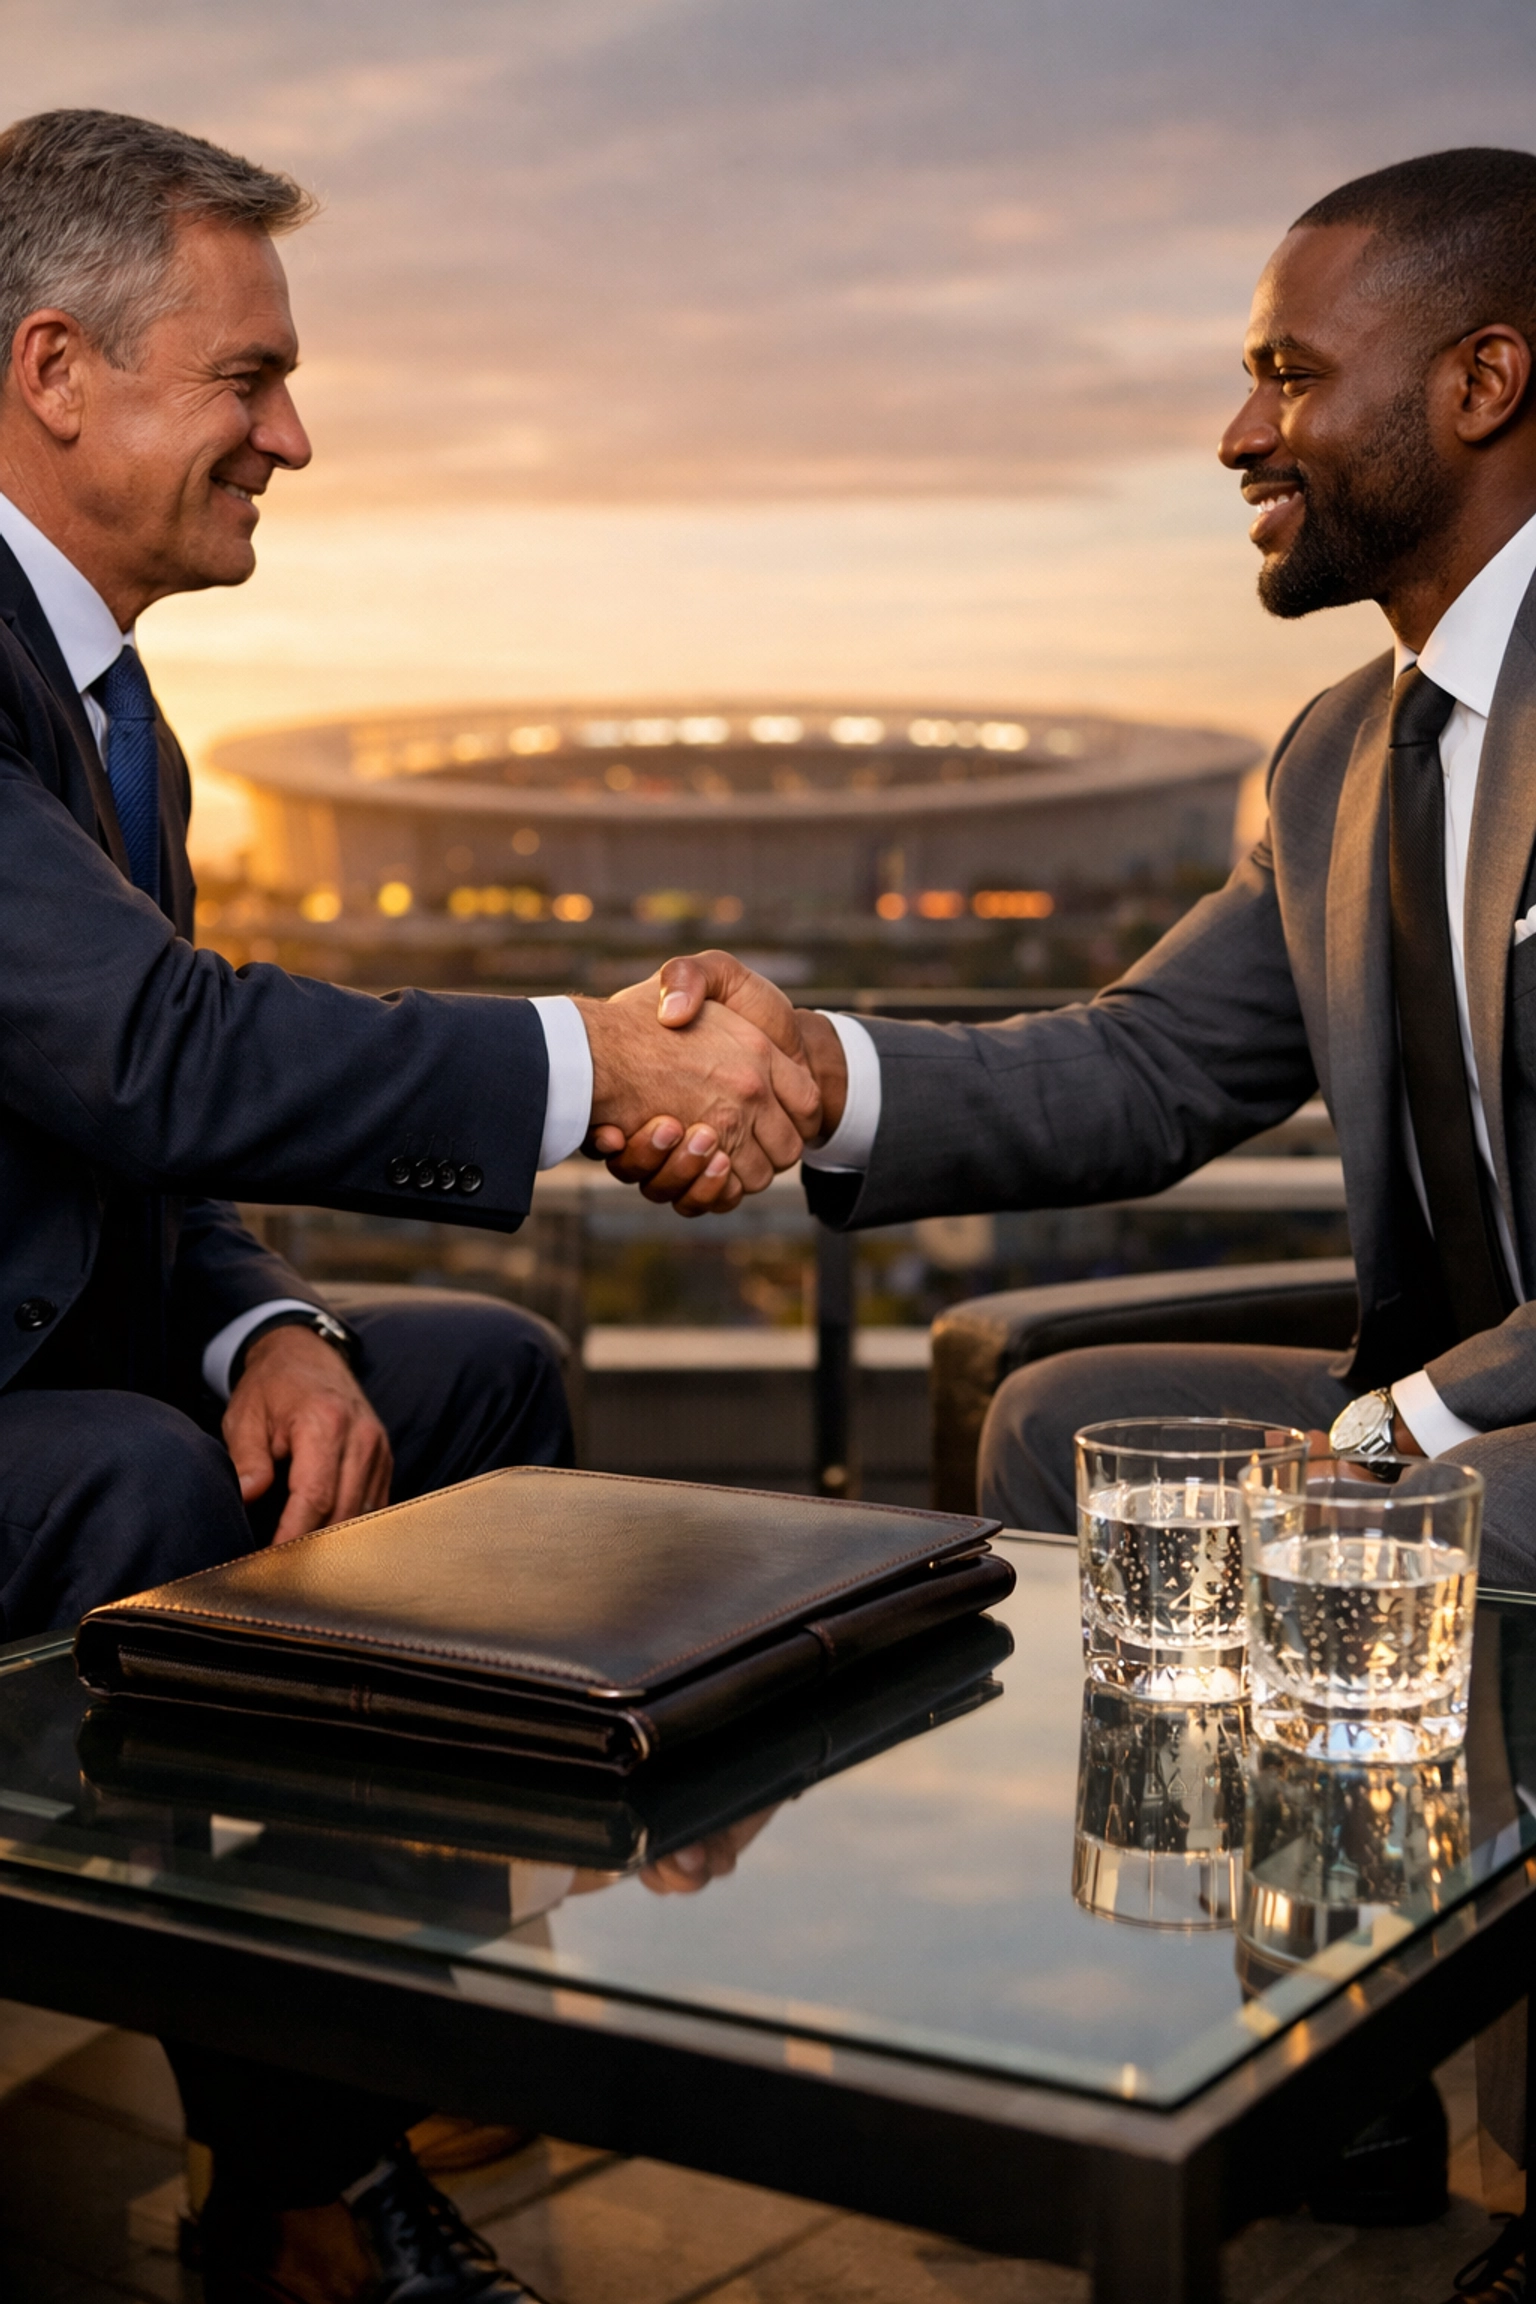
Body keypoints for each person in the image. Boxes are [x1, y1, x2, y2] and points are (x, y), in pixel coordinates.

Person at [600, 149, 1536, 2277]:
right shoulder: (1336, 758)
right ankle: (1324, 2046)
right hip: (1446, 1427)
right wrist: (815, 1073)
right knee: (1058, 1428)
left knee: (1311, 1510)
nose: (1235, 435)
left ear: (1483, 380)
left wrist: (1396, 1437)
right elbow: (1144, 1066)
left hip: (1470, 1431)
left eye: (1292, 374)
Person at [0, 107, 819, 2304]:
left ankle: (379, 2033)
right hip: (30, 1418)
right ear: (56, 368)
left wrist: (259, 1318)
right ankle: (299, 2195)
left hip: (70, 1357)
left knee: (461, 1384)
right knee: (140, 1485)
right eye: (248, 376)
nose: (296, 431)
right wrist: (589, 1057)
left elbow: (113, 1117)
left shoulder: (112, 705)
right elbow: (158, 1048)